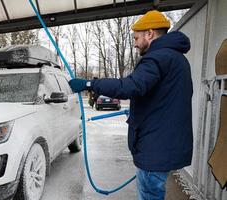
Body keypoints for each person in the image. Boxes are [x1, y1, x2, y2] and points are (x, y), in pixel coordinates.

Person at [69, 10, 193, 200]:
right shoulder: (178, 59)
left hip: (155, 148)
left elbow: (130, 86)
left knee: (149, 196)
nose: (134, 43)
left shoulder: (157, 58)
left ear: (150, 33)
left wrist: (89, 84)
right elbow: (162, 99)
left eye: (136, 38)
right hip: (165, 144)